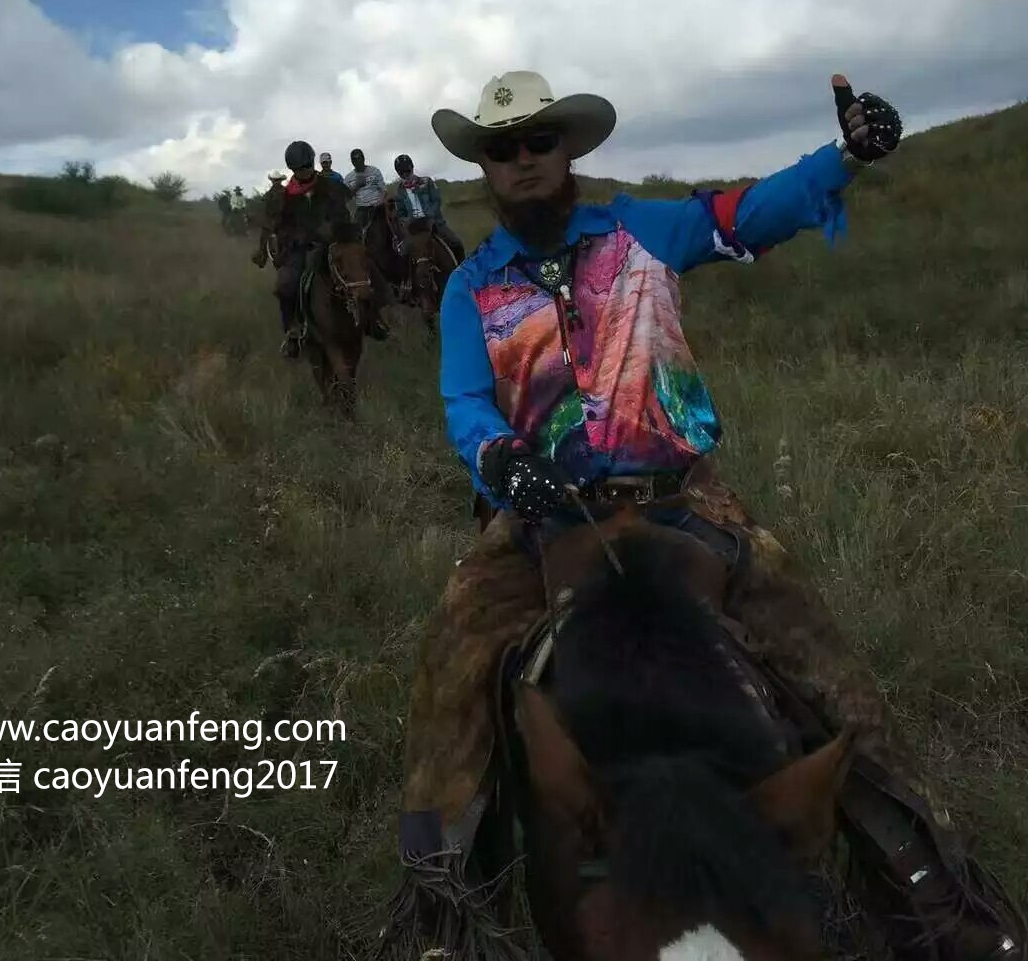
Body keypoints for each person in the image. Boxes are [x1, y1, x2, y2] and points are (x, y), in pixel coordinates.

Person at [385, 69, 1022, 960]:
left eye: (539, 142)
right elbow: (465, 401)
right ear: (484, 168)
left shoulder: (643, 231)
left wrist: (843, 156)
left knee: (815, 651)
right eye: (504, 149)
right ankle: (446, 912)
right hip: (547, 514)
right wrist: (498, 458)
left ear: (568, 150)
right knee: (454, 651)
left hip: (682, 500)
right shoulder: (471, 290)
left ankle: (936, 899)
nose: (524, 161)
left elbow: (746, 215)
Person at [261, 141, 383, 357]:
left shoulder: (331, 186)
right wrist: (299, 236)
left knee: (366, 264)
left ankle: (375, 318)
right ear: (292, 169)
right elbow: (281, 226)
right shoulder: (284, 195)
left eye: (306, 166)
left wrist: (336, 229)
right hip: (301, 248)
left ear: (312, 163)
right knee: (285, 284)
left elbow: (344, 214)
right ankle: (293, 331)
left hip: (333, 243)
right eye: (298, 169)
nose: (303, 172)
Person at [391, 154, 465, 262]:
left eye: (408, 171)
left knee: (456, 243)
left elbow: (436, 200)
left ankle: (463, 271)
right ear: (399, 173)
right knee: (401, 254)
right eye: (402, 173)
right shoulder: (399, 191)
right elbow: (401, 212)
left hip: (432, 222)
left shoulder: (427, 182)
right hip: (413, 226)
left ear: (412, 168)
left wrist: (430, 215)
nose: (406, 175)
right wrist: (406, 221)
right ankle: (406, 279)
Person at [345, 148, 388, 233]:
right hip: (362, 208)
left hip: (378, 204)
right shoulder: (348, 178)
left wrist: (380, 200)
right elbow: (346, 198)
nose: (358, 162)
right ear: (352, 162)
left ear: (363, 159)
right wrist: (356, 186)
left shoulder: (374, 171)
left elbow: (383, 190)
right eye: (355, 160)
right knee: (355, 231)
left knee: (393, 222)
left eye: (360, 159)